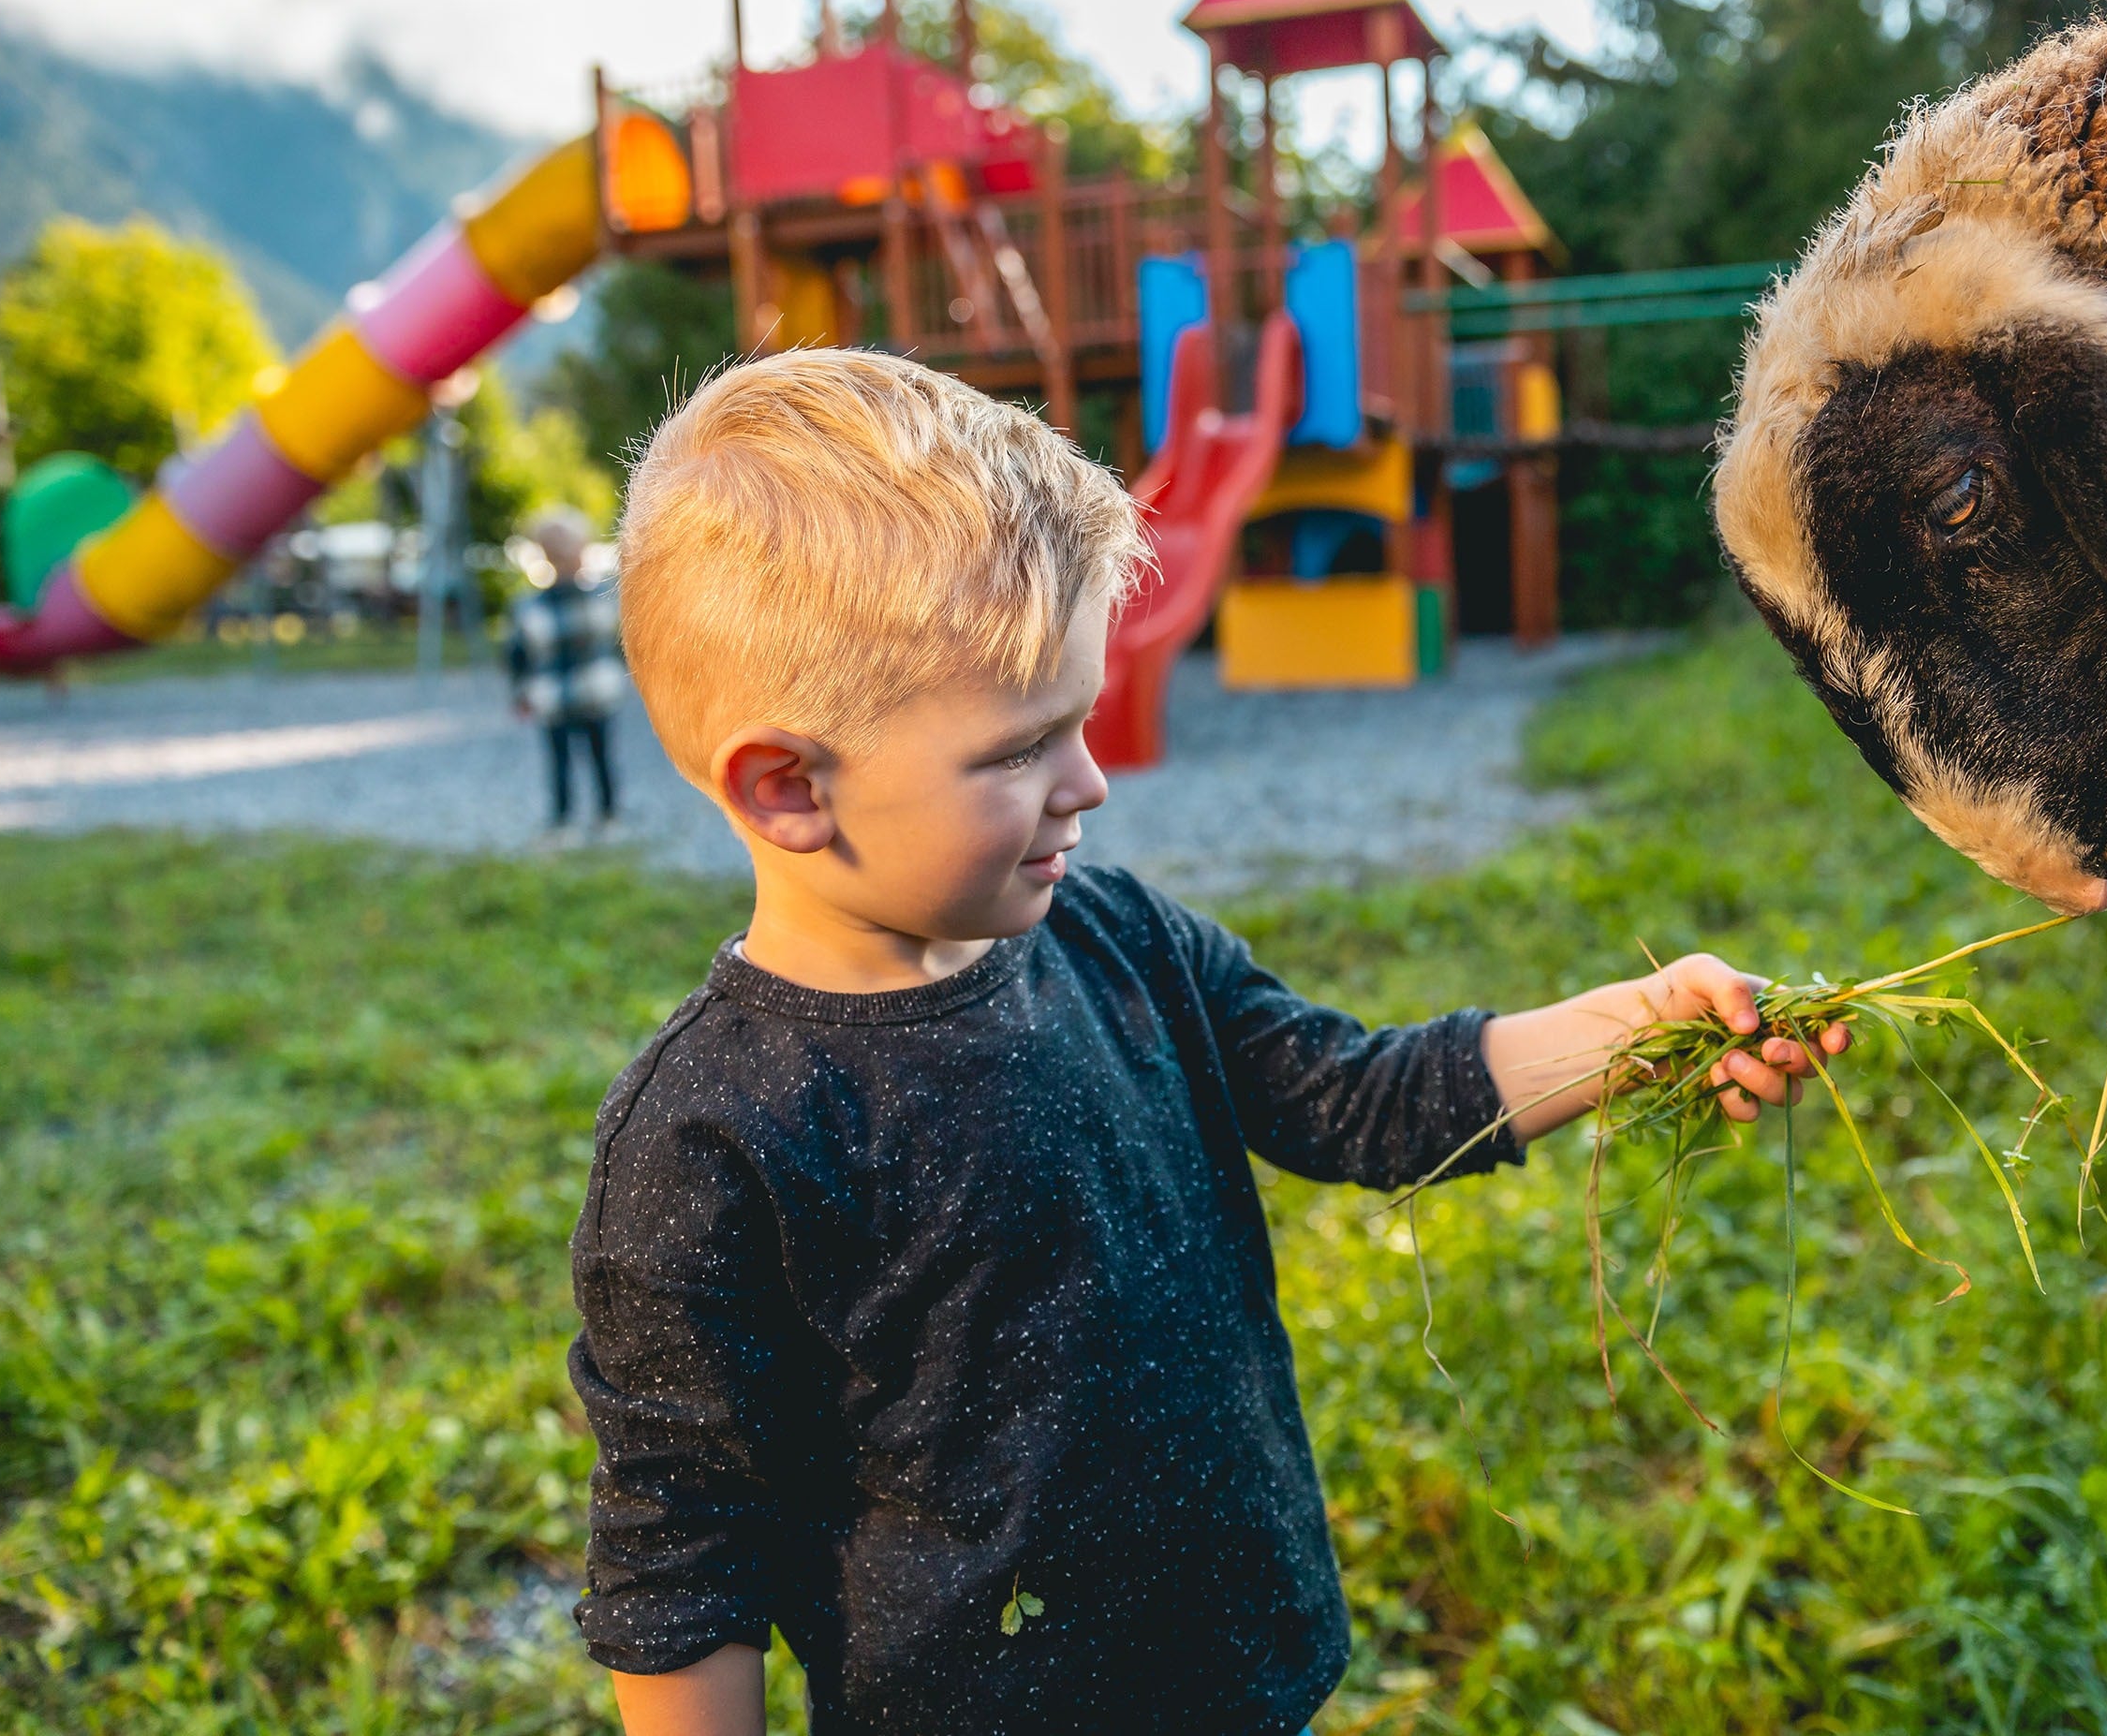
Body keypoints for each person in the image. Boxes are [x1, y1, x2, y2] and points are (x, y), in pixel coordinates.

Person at [570, 350, 1849, 1736]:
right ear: (789, 788)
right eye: (1022, 748)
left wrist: (1635, 1028)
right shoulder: (710, 1141)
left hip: (1244, 1673)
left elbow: (1363, 1099)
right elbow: (680, 1559)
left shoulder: (1124, 944)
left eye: (1083, 716)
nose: (1091, 781)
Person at [506, 505, 627, 832]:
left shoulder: (600, 597)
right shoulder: (534, 606)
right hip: (559, 697)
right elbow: (518, 655)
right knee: (564, 760)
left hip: (590, 693)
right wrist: (520, 693)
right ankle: (569, 817)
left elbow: (619, 643)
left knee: (596, 757)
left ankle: (605, 813)